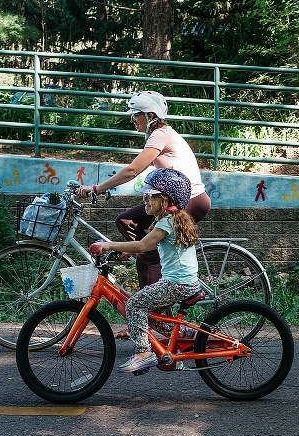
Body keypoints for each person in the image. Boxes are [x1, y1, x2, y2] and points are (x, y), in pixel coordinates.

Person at [78, 91, 211, 288]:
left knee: (146, 254)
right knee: (130, 227)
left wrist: (97, 188)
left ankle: (155, 311)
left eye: (135, 114)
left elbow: (133, 170)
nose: (132, 120)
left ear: (150, 116)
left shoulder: (160, 134)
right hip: (183, 198)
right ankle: (150, 269)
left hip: (190, 200)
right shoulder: (160, 134)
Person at [88, 168, 202, 373]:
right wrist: (125, 251)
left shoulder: (167, 221)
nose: (145, 200)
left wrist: (108, 245)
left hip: (177, 284)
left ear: (165, 200)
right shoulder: (173, 219)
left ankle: (144, 354)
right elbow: (148, 246)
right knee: (149, 314)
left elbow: (141, 245)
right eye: (145, 195)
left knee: (134, 305)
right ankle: (188, 335)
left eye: (150, 196)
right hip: (182, 282)